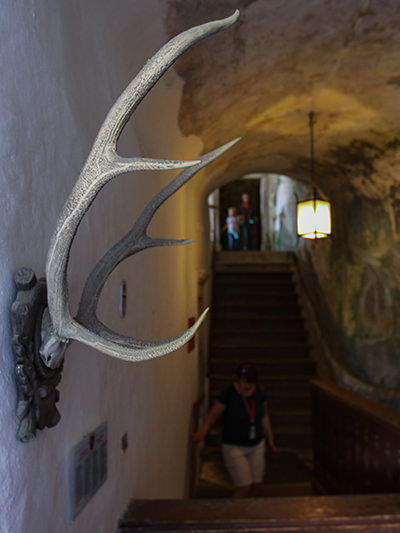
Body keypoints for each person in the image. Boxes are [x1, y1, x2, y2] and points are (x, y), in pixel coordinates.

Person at [192, 362, 276, 498]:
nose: (247, 386)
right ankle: (231, 513)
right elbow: (213, 413)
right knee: (244, 486)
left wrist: (270, 438)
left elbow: (264, 415)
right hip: (233, 445)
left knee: (257, 484)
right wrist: (204, 431)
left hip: (256, 444)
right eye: (244, 382)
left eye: (250, 383)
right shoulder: (228, 393)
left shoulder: (260, 392)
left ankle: (250, 512)